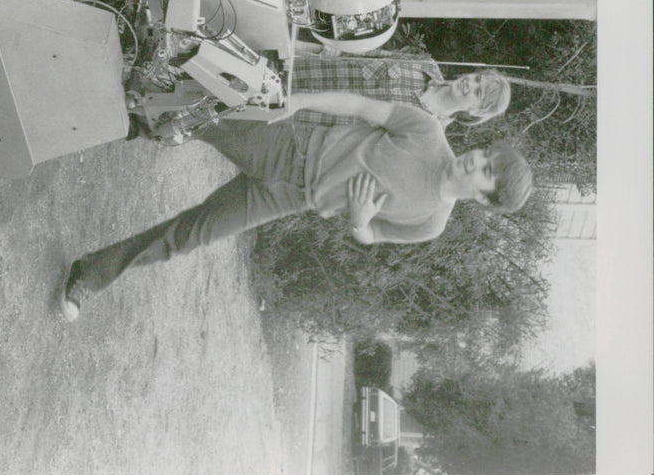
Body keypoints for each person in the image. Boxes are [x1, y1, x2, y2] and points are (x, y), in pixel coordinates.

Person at [59, 90, 532, 321]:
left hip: (287, 198)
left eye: (486, 171)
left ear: (485, 200)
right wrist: (299, 101)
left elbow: (370, 237)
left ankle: (90, 276)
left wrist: (361, 223)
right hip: (290, 144)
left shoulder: (431, 223)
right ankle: (73, 106)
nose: (476, 159)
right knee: (184, 120)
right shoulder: (429, 131)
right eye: (486, 155)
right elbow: (361, 107)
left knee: (190, 236)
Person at [289, 52, 511, 129]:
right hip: (298, 66)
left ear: (476, 112)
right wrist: (299, 48)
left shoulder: (427, 129)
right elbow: (362, 53)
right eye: (477, 78)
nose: (470, 83)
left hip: (297, 114)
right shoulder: (428, 65)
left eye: (478, 92)